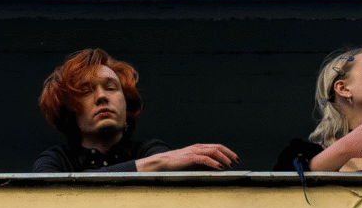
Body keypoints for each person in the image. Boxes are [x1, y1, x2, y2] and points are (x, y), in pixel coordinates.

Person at [33, 48, 238, 172]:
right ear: (69, 111)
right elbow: (49, 196)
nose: (102, 96)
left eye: (111, 88)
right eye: (86, 91)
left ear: (127, 104)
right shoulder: (56, 160)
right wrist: (156, 164)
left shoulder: (149, 150)